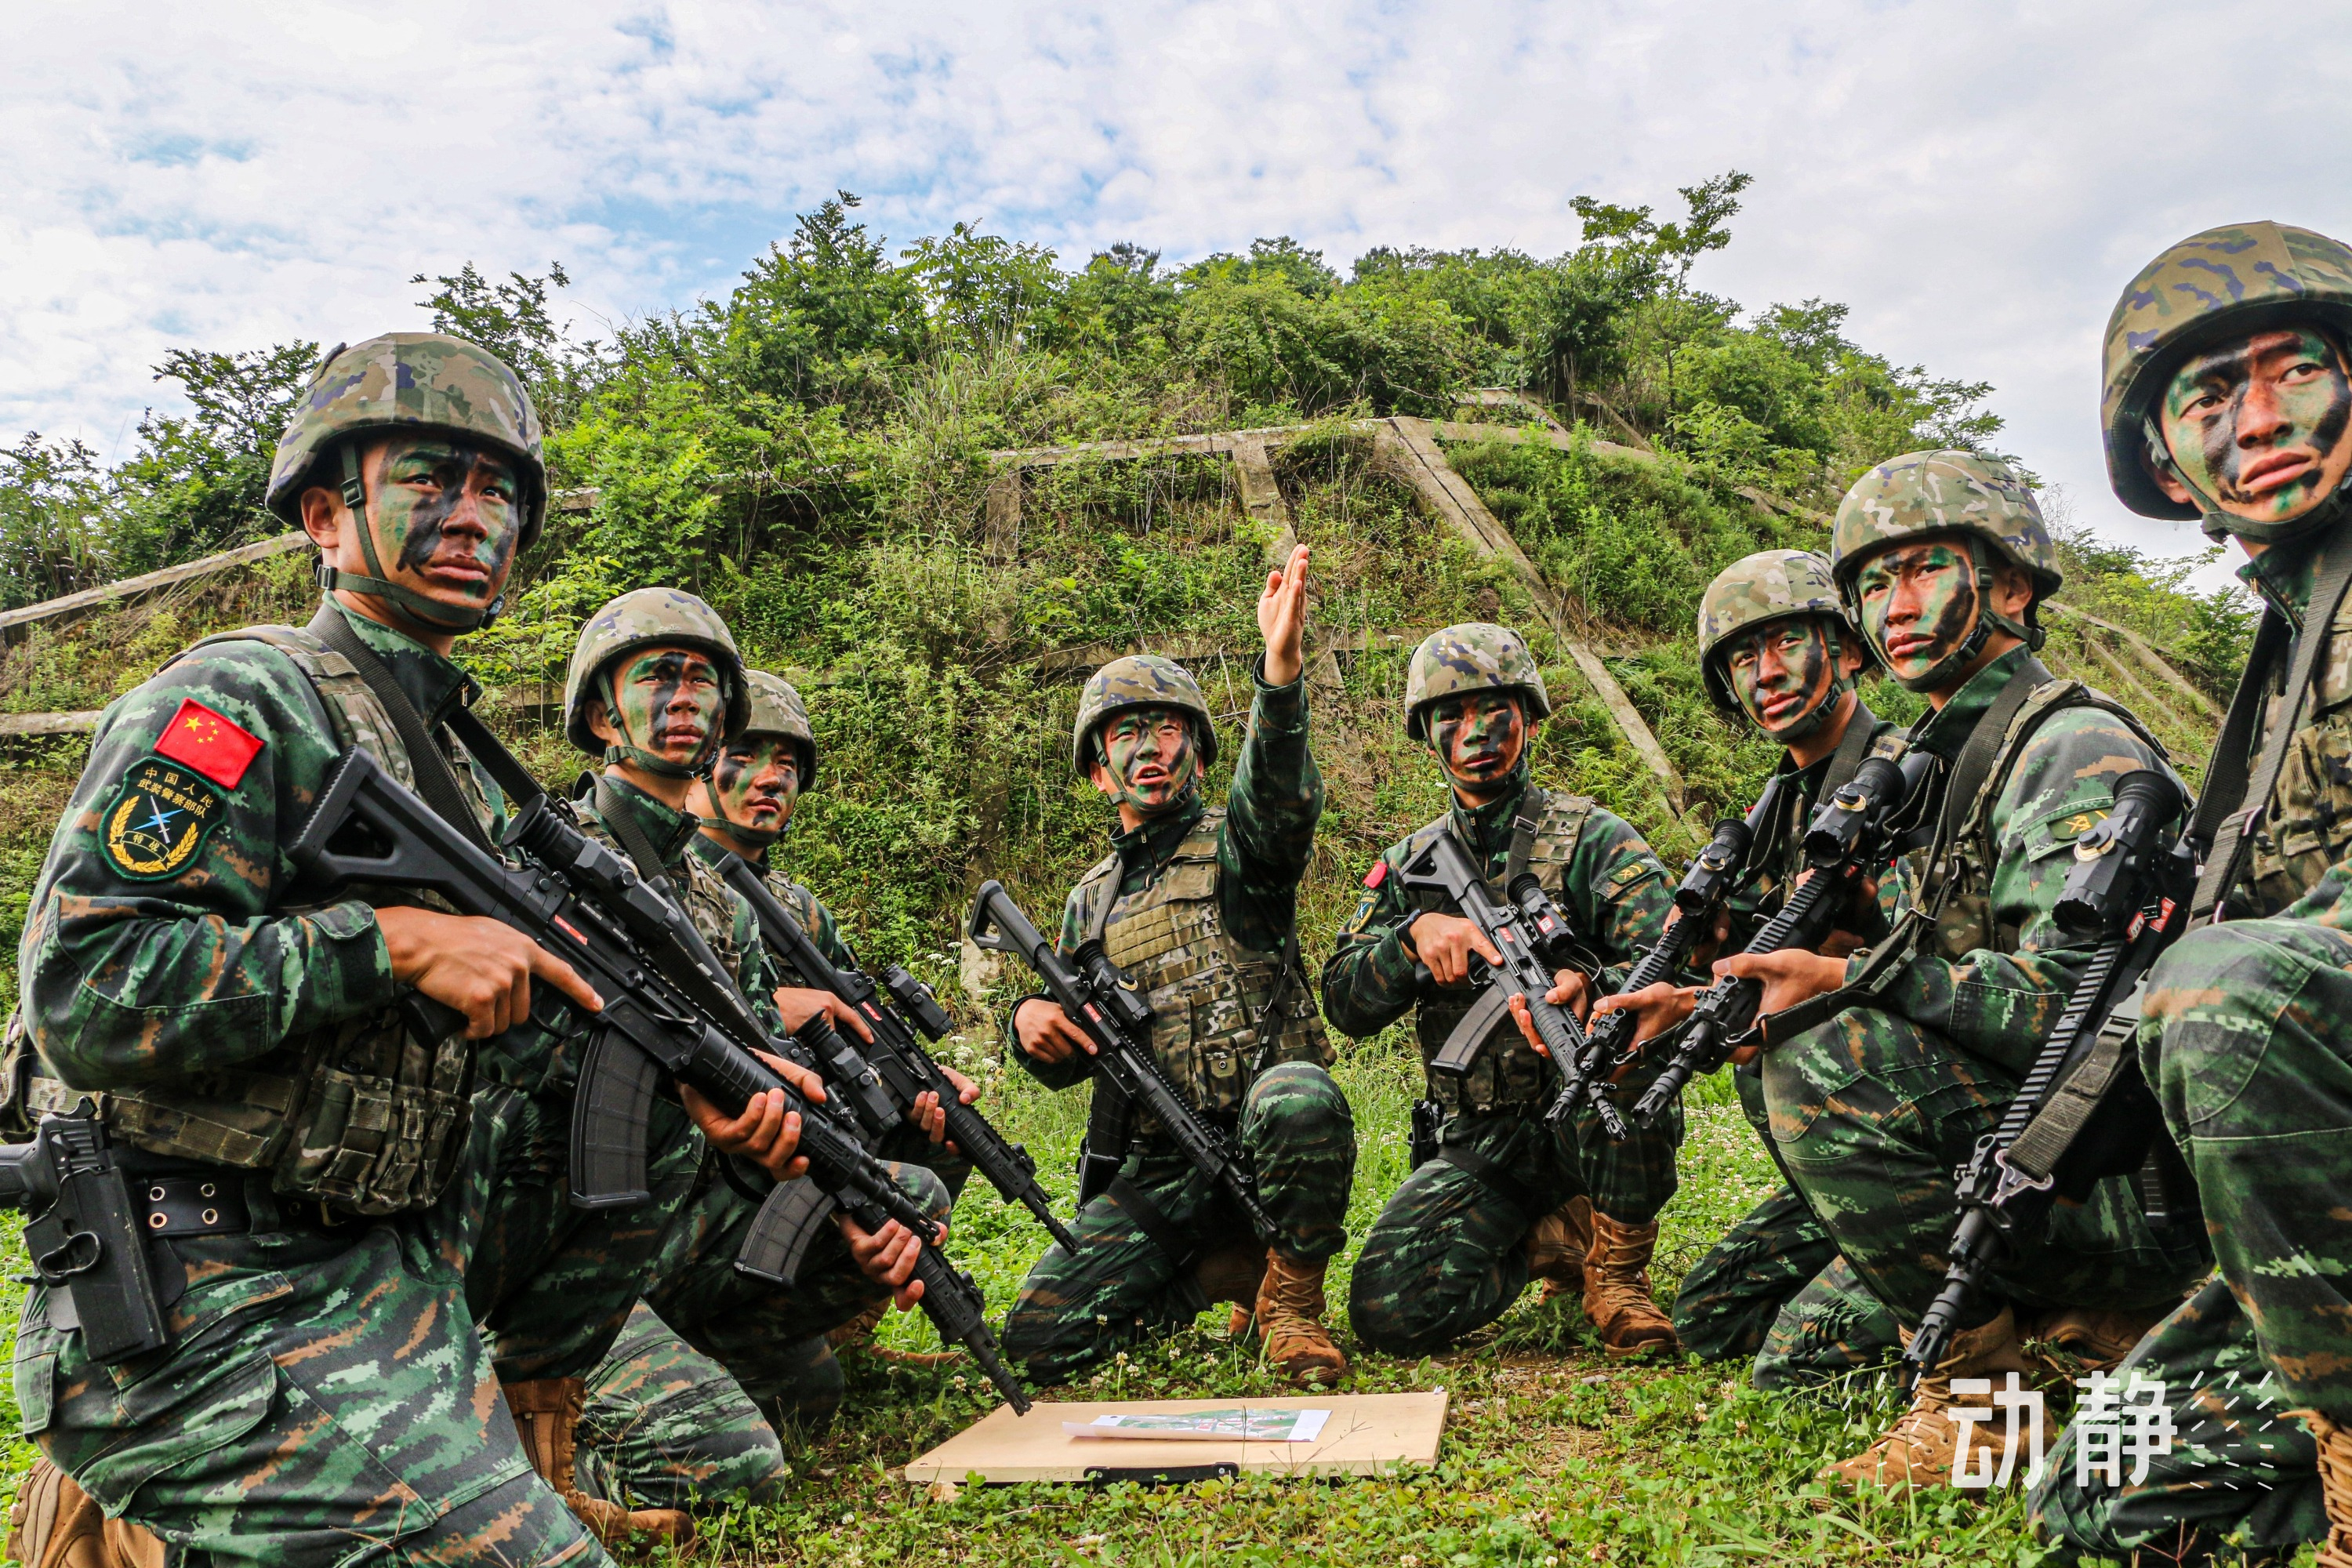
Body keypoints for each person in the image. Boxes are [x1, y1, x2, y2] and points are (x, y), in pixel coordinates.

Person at [1, 336, 818, 1568]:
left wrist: (714, 1074)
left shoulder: (453, 765)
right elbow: (86, 988)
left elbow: (505, 1049)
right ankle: (130, 1523)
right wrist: (382, 941)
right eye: (430, 480)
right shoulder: (240, 701)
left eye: (499, 494)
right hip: (197, 1281)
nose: (472, 516)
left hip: (377, 1272)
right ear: (327, 518)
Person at [1722, 450, 2209, 1490]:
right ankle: (2080, 1324)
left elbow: (2076, 1015)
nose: (1890, 607)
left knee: (1819, 1052)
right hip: (2038, 1157)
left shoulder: (2063, 746)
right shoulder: (1945, 761)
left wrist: (1863, 981)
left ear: (2011, 587)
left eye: (1922, 572)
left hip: (2123, 1177)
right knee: (1791, 1360)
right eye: (1871, 584)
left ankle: (1997, 1410)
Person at [2031, 221, 2352, 1565]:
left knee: (2224, 994)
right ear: (2167, 459)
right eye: (2213, 396)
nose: (2262, 419)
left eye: (2298, 371)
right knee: (2100, 1507)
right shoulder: (2289, 644)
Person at [572, 667, 975, 1512]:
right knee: (731, 1462)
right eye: (748, 754)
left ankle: (747, 1342)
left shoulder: (734, 905)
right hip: (572, 1236)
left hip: (698, 1200)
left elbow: (781, 1071)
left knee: (813, 1388)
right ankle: (553, 1437)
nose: (767, 778)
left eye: (787, 763)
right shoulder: (575, 858)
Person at [999, 544, 1354, 1388]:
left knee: (1300, 1094)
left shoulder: (1240, 848)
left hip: (1261, 1140)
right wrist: (1029, 1025)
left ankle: (1293, 1302)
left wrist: (1281, 671)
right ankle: (1223, 1275)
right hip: (1163, 1159)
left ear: (1197, 749)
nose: (1149, 747)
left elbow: (1279, 798)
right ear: (1097, 770)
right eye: (1127, 734)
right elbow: (1074, 1048)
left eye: (1167, 729)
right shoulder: (1090, 900)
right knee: (1039, 1342)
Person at [1329, 622, 1684, 1360]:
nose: (1476, 731)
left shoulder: (1595, 838)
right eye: (1452, 714)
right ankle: (1550, 1240)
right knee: (1388, 1311)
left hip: (1588, 1116)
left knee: (1620, 1053)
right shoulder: (1408, 866)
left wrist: (1597, 989)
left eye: (1495, 709)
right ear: (1427, 732)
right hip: (1483, 1131)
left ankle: (1617, 1272)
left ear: (1527, 715)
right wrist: (1409, 942)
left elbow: (1671, 970)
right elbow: (1343, 1001)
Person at [1639, 550, 1904, 1388]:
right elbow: (1758, 968)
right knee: (1714, 1316)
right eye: (1742, 658)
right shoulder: (1777, 807)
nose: (1766, 672)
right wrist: (1683, 997)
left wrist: (1839, 968)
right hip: (1839, 1156)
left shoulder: (1907, 774)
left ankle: (2013, 1297)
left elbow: (1951, 962)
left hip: (1928, 1142)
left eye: (1788, 641)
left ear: (1850, 649)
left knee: (1793, 1364)